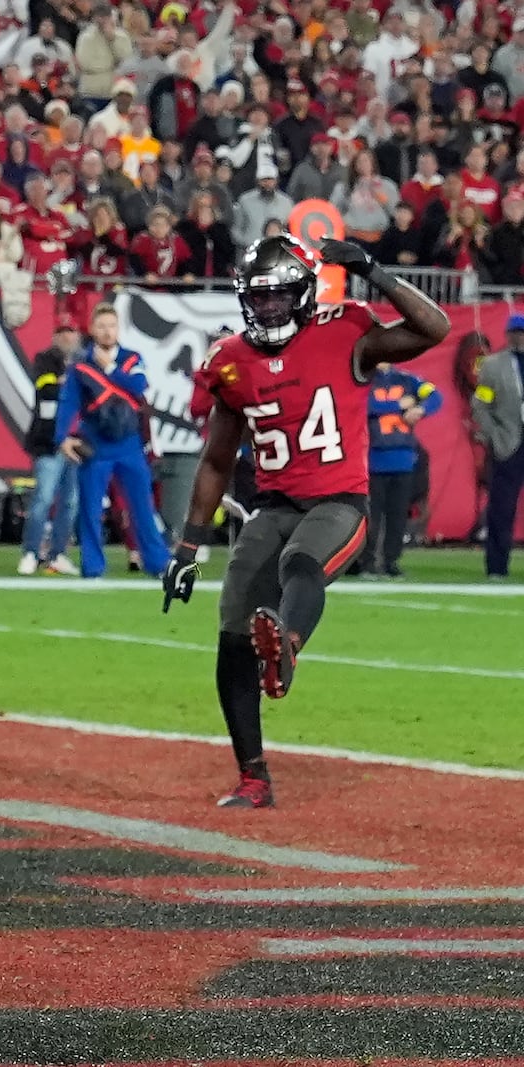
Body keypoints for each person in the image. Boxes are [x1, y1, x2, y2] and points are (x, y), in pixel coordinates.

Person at [164, 235, 450, 808]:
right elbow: (218, 459)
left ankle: (286, 645)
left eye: (278, 297)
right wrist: (189, 545)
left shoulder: (344, 333)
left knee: (301, 561)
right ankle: (253, 777)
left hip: (339, 501)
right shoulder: (231, 361)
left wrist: (372, 269)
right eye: (258, 298)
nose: (267, 309)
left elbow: (433, 328)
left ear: (304, 294)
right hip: (274, 507)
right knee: (230, 636)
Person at [56, 304, 169, 580]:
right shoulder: (81, 366)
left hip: (129, 444)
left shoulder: (132, 359)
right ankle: (93, 567)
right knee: (90, 509)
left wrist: (112, 369)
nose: (107, 331)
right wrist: (62, 438)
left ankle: (158, 563)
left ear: (118, 329)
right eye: (102, 326)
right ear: (93, 330)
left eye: (112, 326)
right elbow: (68, 402)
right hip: (96, 444)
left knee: (143, 505)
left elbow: (139, 387)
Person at [18, 316, 82, 575]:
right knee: (43, 499)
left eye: (71, 332)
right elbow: (46, 388)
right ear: (55, 336)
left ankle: (58, 553)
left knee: (70, 502)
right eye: (63, 332)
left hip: (76, 442)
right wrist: (71, 385)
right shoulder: (45, 359)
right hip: (48, 442)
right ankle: (31, 551)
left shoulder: (83, 361)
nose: (67, 337)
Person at [366, 363, 442, 577]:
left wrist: (421, 409)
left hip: (403, 458)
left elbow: (436, 396)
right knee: (371, 516)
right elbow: (362, 405)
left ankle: (391, 561)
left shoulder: (409, 379)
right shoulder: (365, 378)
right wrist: (398, 405)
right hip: (373, 458)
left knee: (398, 515)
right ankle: (367, 561)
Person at [473, 315, 524, 579]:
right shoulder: (493, 366)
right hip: (509, 442)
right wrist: (493, 434)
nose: (519, 337)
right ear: (507, 334)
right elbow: (481, 403)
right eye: (515, 332)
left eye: (522, 332)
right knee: (502, 508)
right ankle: (496, 566)